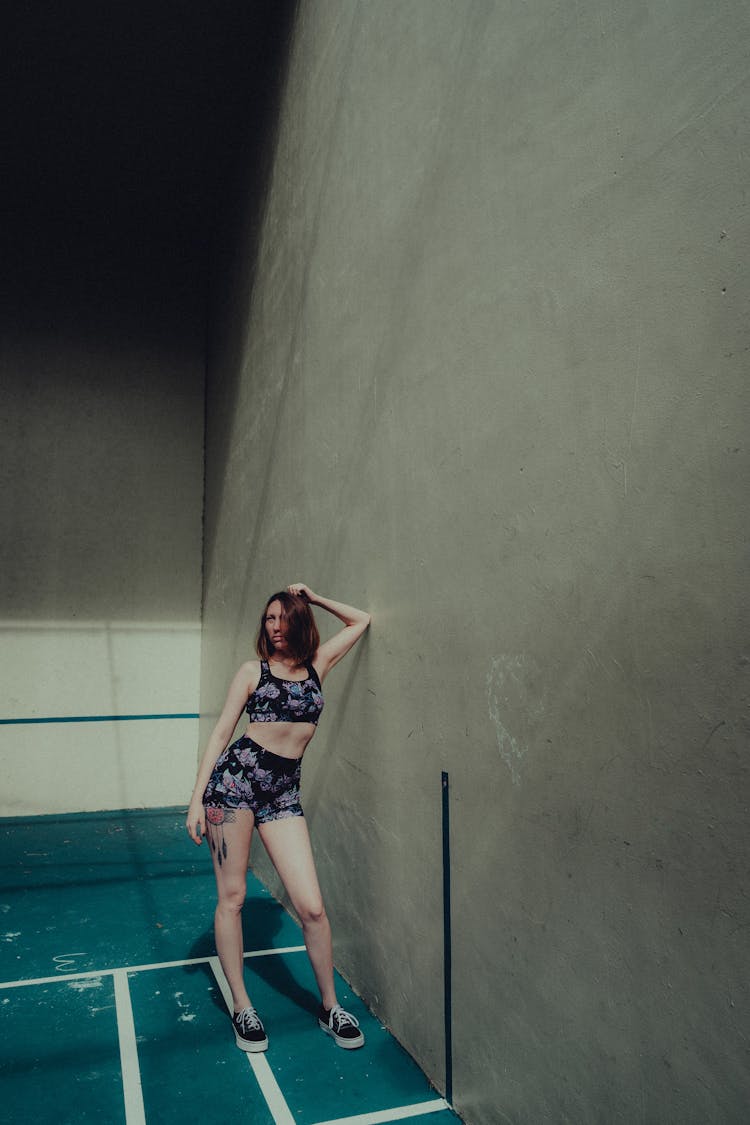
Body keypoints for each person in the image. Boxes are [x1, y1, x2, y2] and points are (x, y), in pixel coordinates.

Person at [186, 582, 371, 1053]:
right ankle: (242, 1007)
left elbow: (362, 621)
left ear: (300, 622)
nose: (275, 627)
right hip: (234, 787)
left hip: (283, 794)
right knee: (233, 898)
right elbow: (221, 735)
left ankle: (331, 1007)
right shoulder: (253, 672)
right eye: (269, 619)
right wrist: (195, 800)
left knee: (311, 906)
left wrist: (316, 596)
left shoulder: (317, 666)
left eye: (283, 618)